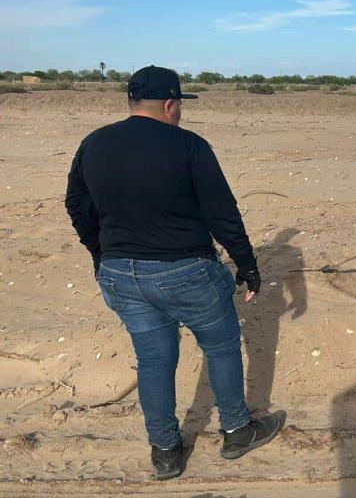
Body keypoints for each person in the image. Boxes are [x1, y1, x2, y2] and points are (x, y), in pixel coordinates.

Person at [64, 65, 284, 480]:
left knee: (154, 361)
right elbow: (223, 213)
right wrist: (247, 265)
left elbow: (77, 205)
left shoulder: (93, 144)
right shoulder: (190, 146)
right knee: (220, 347)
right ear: (169, 104)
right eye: (179, 104)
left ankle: (165, 451)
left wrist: (101, 253)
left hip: (120, 274)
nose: (179, 112)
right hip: (186, 271)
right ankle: (237, 430)